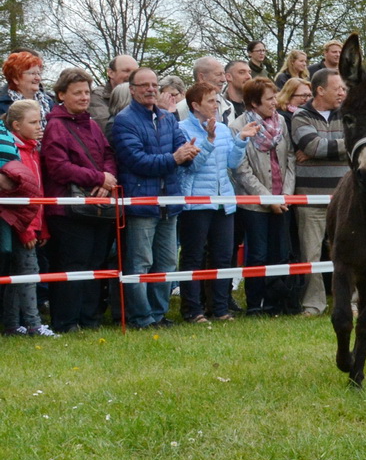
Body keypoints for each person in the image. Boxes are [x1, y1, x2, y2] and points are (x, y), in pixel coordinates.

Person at [110, 66, 200, 328]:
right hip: (141, 204)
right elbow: (136, 160)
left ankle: (159, 314)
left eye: (154, 85)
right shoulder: (124, 120)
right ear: (132, 89)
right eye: (144, 85)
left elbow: (181, 148)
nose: (151, 89)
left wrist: (187, 154)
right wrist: (174, 158)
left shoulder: (167, 118)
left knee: (167, 261)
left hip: (169, 202)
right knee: (140, 262)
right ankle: (140, 317)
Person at [41, 68, 119, 333]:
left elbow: (108, 154)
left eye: (87, 91)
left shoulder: (92, 124)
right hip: (67, 210)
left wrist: (107, 179)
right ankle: (66, 321)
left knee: (95, 263)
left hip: (95, 206)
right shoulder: (55, 126)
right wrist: (97, 177)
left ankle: (90, 317)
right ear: (61, 94)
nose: (84, 97)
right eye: (77, 92)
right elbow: (57, 167)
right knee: (72, 266)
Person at [177, 82, 254, 322]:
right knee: (193, 256)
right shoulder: (180, 129)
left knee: (223, 256)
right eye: (211, 101)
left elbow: (231, 162)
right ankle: (192, 309)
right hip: (196, 203)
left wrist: (241, 139)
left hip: (224, 202)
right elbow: (192, 167)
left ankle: (220, 308)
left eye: (217, 101)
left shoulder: (222, 128)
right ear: (195, 105)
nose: (216, 105)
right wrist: (208, 141)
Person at [231, 78, 298, 316]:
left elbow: (290, 157)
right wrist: (267, 198)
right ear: (253, 102)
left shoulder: (281, 122)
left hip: (284, 199)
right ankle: (255, 304)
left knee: (279, 253)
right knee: (257, 254)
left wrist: (286, 194)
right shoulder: (238, 126)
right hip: (254, 205)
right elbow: (241, 169)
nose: (274, 102)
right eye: (269, 98)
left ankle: (276, 302)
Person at [289, 68, 346, 315]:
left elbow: (359, 140)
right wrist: (347, 144)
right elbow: (312, 145)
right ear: (320, 90)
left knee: (346, 253)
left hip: (344, 198)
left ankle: (349, 301)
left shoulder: (348, 114)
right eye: (338, 88)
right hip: (310, 199)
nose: (343, 93)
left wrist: (322, 148)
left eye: (344, 88)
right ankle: (314, 304)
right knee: (310, 254)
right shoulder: (301, 116)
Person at [1, 99, 50, 335]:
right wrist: (27, 228)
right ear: (17, 126)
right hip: (21, 225)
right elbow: (18, 199)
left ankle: (12, 324)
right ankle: (34, 325)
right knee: (29, 274)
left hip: (33, 223)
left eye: (40, 120)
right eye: (34, 122)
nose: (40, 126)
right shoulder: (15, 154)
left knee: (18, 275)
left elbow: (38, 194)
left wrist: (43, 227)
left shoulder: (33, 150)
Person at [89, 53, 138, 135]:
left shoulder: (142, 95)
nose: (132, 76)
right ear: (111, 73)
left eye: (135, 72)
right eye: (126, 71)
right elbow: (107, 128)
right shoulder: (97, 96)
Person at [0, 51, 54, 119]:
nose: (38, 78)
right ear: (15, 79)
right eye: (32, 74)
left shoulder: (49, 102)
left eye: (39, 73)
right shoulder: (2, 105)